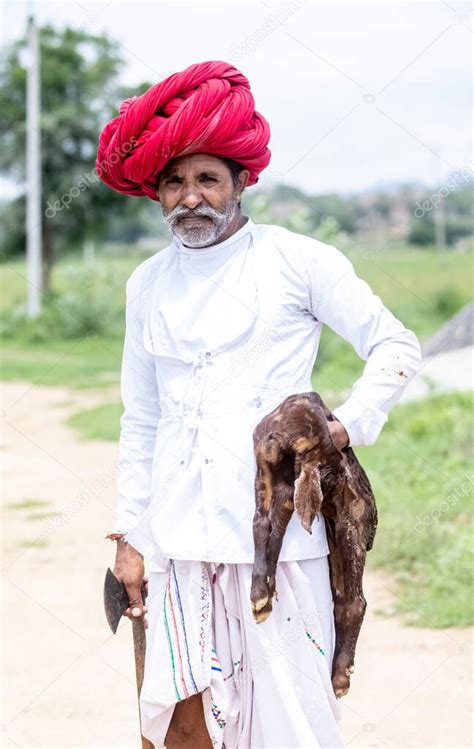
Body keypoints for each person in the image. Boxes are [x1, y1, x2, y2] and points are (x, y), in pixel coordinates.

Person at [97, 60, 422, 748]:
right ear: (157, 192)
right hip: (178, 546)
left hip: (283, 547)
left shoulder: (298, 260)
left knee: (290, 726)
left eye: (208, 179)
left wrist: (340, 428)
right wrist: (131, 535)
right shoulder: (146, 283)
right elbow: (142, 416)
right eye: (175, 181)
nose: (191, 197)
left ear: (242, 183)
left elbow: (394, 344)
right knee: (184, 726)